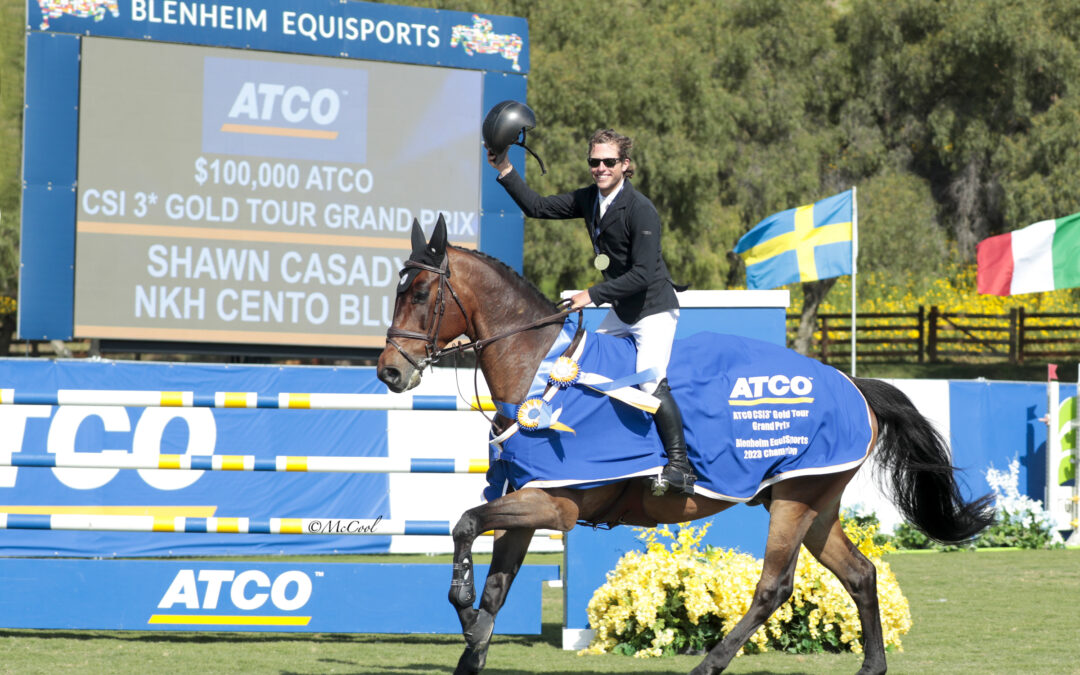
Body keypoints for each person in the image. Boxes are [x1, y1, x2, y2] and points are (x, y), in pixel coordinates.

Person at [487, 128, 696, 496]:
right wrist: (504, 168)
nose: (600, 168)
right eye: (594, 161)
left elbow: (644, 274)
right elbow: (536, 207)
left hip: (653, 311)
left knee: (649, 382)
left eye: (609, 162)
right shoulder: (589, 200)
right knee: (583, 373)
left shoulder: (641, 209)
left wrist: (592, 294)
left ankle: (680, 466)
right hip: (622, 309)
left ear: (625, 165)